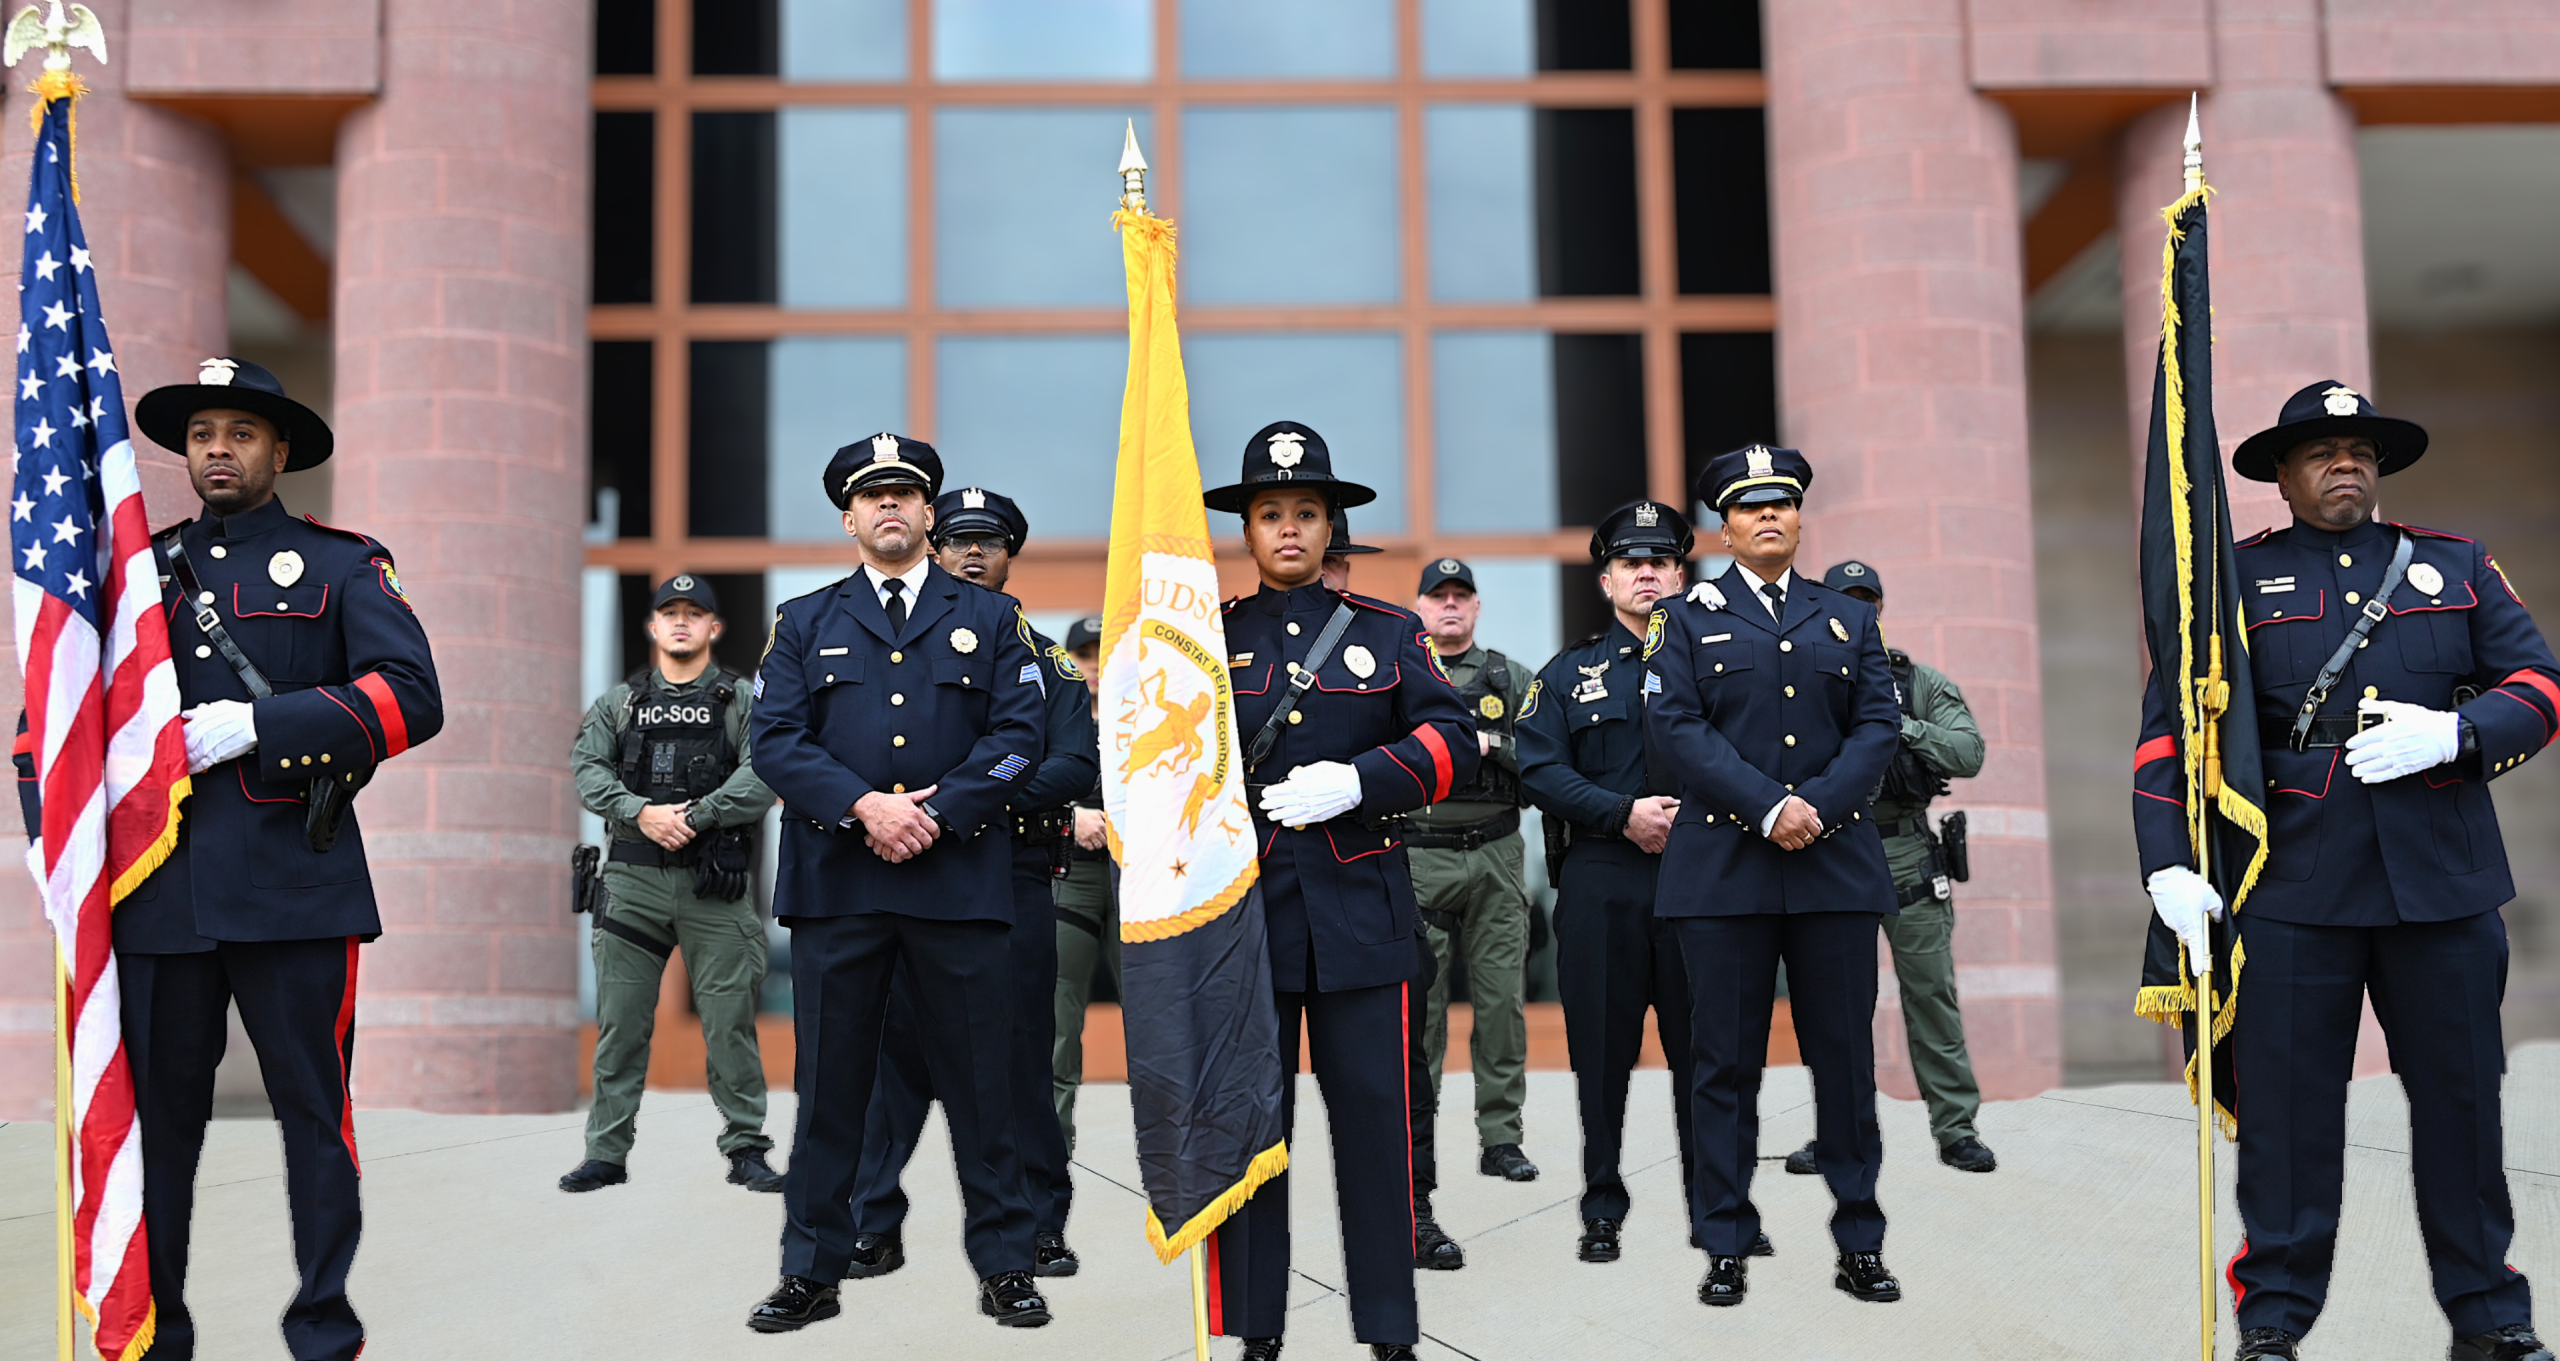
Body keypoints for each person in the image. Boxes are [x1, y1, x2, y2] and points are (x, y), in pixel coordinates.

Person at [14, 357, 445, 1361]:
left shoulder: (341, 564)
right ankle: (157, 1333)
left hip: (296, 883)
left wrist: (263, 724)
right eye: (203, 432)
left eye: (240, 432)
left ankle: (322, 1329)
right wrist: (51, 843)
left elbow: (411, 693)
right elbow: (50, 714)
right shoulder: (131, 574)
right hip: (156, 896)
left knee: (314, 1119)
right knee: (158, 1128)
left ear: (278, 449)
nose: (218, 448)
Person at [2137, 382, 2560, 1361]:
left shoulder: (2454, 566)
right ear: (2280, 477)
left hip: (2442, 884)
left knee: (2460, 1105)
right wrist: (2164, 864)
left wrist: (2455, 732)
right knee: (2288, 1115)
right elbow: (2167, 737)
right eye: (2321, 451)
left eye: (2360, 450)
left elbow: (2537, 685)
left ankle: (2488, 1313)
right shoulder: (2231, 583)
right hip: (2292, 885)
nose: (2345, 464)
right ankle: (2275, 1317)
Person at [743, 433, 1052, 1334]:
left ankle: (1006, 1264)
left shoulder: (994, 620)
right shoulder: (804, 620)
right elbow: (776, 740)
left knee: (983, 1090)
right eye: (872, 495)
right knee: (832, 1090)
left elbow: (1019, 735)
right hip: (840, 886)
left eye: (906, 494)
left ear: (928, 514)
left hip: (957, 885)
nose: (890, 506)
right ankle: (813, 1270)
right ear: (849, 517)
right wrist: (868, 808)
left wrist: (936, 810)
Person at [1203, 420, 1479, 1361]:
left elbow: (1453, 743)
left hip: (1362, 913)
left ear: (1332, 528)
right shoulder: (1207, 636)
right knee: (1251, 1135)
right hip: (1243, 923)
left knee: (1376, 1131)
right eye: (1271, 512)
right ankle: (1256, 1328)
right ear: (1246, 528)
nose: (1288, 528)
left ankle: (1392, 1331)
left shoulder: (1391, 632)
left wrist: (1362, 780)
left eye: (1306, 513)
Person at [1645, 444, 1904, 1308]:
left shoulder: (1848, 618)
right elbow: (1678, 729)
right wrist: (1766, 807)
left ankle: (1859, 1237)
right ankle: (1725, 1238)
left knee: (1846, 1062)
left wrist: (1815, 809)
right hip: (1724, 871)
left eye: (1782, 505)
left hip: (1832, 869)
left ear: (1799, 519)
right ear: (1723, 526)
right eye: (1750, 507)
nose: (1768, 518)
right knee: (1724, 1064)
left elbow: (1877, 727)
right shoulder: (1685, 618)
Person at [847, 485, 1098, 1279]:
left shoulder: (1046, 655)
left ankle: (1038, 1226)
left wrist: (967, 794)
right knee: (895, 1054)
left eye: (988, 541)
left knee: (1020, 1054)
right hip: (910, 874)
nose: (971, 553)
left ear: (1010, 553)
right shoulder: (901, 649)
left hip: (1012, 873)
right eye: (957, 539)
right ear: (932, 544)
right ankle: (871, 1222)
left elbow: (1074, 762)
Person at [1518, 499, 1723, 1266]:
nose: (1647, 572)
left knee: (1706, 1057)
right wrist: (1620, 813)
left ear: (1681, 574)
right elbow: (1539, 768)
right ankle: (1602, 1205)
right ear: (1606, 581)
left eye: (1661, 561)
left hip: (1702, 884)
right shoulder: (1570, 674)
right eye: (1631, 563)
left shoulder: (1723, 665)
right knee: (1601, 1058)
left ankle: (1716, 1208)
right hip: (1603, 882)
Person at [561, 574, 782, 1196]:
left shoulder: (742, 700)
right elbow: (587, 770)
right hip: (632, 884)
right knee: (622, 1025)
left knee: (728, 1024)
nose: (681, 622)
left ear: (715, 628)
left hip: (714, 885)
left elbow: (764, 773)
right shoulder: (619, 704)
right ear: (653, 627)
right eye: (670, 613)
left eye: (695, 613)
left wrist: (697, 815)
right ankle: (605, 1153)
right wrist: (641, 812)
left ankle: (746, 1149)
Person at [1777, 561, 1994, 1178]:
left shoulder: (1916, 682)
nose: (1857, 611)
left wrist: (1896, 723)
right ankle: (1836, 1133)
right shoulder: (1795, 681)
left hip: (1906, 856)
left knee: (1932, 998)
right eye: (1845, 601)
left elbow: (1969, 752)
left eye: (1867, 601)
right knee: (1834, 1008)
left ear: (1878, 609)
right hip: (1829, 853)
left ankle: (1956, 1129)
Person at [1405, 557, 1538, 1187]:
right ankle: (1414, 1136)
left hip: (1495, 852)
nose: (1451, 605)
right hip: (1418, 852)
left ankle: (1502, 1138)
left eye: (1462, 595)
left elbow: (1544, 759)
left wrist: (1489, 744)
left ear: (1477, 607)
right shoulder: (1399, 673)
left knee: (1500, 1003)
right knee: (1417, 1008)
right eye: (1439, 596)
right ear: (1421, 607)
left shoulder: (1509, 677)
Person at [1049, 614, 1119, 1150]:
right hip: (1069, 871)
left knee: (1153, 1008)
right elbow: (1019, 776)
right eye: (1086, 654)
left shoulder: (1142, 717)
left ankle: (1169, 1144)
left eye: (1104, 652)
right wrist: (1073, 815)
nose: (1096, 665)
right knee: (1059, 1011)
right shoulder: (1049, 713)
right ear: (1070, 660)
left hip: (1135, 873)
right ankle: (1053, 1143)